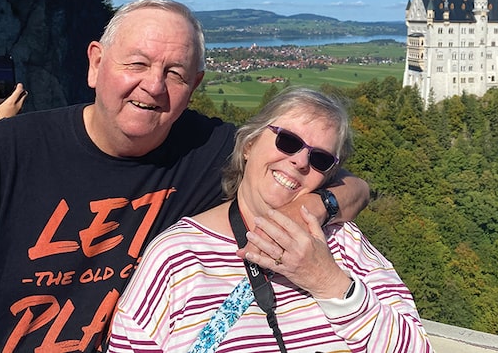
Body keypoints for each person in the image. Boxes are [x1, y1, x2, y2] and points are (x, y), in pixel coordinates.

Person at [0, 0, 370, 353]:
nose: (154, 86)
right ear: (96, 64)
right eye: (137, 64)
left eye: (175, 73)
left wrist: (312, 209)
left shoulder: (206, 149)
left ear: (194, 85)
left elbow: (354, 186)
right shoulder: (10, 152)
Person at [106, 87, 431, 352]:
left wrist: (328, 281)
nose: (300, 162)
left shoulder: (343, 242)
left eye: (319, 159)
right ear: (249, 144)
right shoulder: (176, 257)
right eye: (287, 141)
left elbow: (416, 348)